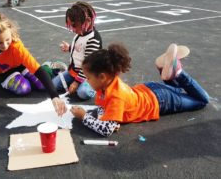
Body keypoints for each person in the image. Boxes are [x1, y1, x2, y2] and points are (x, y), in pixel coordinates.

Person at [71, 43, 209, 136]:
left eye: (88, 77)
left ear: (101, 76)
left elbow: (106, 130)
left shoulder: (115, 96)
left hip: (161, 100)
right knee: (178, 91)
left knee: (202, 100)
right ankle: (164, 69)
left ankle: (178, 73)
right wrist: (108, 120)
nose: (86, 81)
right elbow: (103, 109)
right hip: (150, 90)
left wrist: (84, 116)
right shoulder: (106, 85)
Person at [52, 1, 102, 100]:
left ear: (87, 21)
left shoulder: (93, 39)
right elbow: (79, 50)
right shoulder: (80, 34)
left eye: (74, 25)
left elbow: (89, 65)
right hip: (74, 72)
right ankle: (75, 80)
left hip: (89, 75)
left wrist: (76, 82)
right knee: (53, 84)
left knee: (83, 93)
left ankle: (95, 86)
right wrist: (69, 48)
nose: (72, 29)